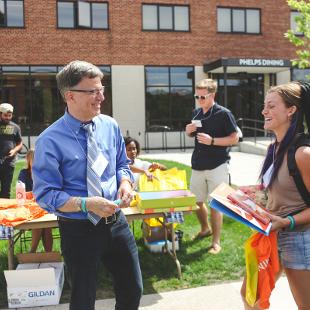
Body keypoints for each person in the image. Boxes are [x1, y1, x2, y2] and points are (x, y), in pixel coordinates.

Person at [32, 60, 143, 310]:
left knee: (133, 290)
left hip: (116, 224)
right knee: (83, 299)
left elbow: (121, 165)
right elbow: (45, 195)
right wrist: (86, 204)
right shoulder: (49, 141)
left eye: (101, 89)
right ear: (70, 96)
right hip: (78, 230)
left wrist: (125, 183)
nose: (101, 96)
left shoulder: (110, 126)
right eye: (93, 91)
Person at [241, 81, 310, 309]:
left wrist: (287, 221)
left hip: (300, 238)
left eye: (271, 106)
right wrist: (254, 194)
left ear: (291, 110)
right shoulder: (274, 149)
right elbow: (280, 188)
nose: (263, 111)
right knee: (252, 297)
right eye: (264, 106)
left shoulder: (303, 153)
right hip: (272, 236)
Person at [185, 78, 238, 254]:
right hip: (198, 165)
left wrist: (212, 141)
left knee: (216, 204)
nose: (199, 100)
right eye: (197, 96)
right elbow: (193, 135)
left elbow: (234, 138)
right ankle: (205, 229)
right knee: (197, 202)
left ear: (212, 95)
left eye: (203, 97)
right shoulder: (196, 113)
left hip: (217, 165)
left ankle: (216, 242)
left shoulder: (224, 114)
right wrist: (189, 132)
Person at [18, 149, 53, 253]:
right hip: (29, 207)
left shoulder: (45, 173)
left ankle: (38, 253)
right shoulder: (24, 173)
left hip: (44, 206)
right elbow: (21, 192)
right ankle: (39, 253)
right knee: (41, 223)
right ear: (28, 160)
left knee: (45, 225)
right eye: (33, 159)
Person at [0, 103, 23, 198]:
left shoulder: (16, 127)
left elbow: (20, 143)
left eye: (10, 115)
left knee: (6, 189)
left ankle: (4, 211)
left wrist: (14, 150)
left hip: (9, 163)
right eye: (5, 115)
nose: (8, 117)